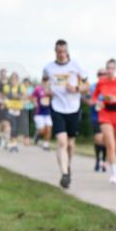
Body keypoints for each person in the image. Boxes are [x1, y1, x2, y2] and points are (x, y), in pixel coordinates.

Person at [42, 39, 89, 189]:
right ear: (55, 51)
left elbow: (87, 85)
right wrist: (47, 90)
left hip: (73, 108)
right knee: (62, 142)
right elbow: (44, 81)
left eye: (64, 51)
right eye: (59, 52)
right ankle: (64, 174)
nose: (61, 54)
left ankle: (67, 165)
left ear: (67, 51)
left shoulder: (76, 65)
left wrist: (76, 89)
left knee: (70, 144)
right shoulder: (49, 68)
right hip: (57, 107)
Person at [91, 58, 116, 184]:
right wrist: (97, 102)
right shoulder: (101, 83)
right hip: (105, 114)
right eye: (108, 68)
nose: (110, 71)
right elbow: (94, 97)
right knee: (110, 144)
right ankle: (114, 174)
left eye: (112, 68)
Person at [1, 72, 28, 152]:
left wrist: (18, 96)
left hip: (18, 110)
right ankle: (8, 141)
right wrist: (5, 103)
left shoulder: (21, 86)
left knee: (15, 128)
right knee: (9, 127)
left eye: (15, 79)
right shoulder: (6, 87)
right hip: (9, 109)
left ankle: (14, 145)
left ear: (17, 79)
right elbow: (4, 97)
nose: (13, 80)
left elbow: (25, 96)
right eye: (12, 79)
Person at [91, 69, 108, 172]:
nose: (102, 76)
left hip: (107, 116)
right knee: (98, 139)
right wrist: (93, 102)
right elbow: (87, 98)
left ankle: (104, 161)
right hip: (95, 116)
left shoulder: (109, 86)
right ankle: (98, 159)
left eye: (104, 74)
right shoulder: (93, 87)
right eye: (100, 74)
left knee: (105, 139)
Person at [31, 77, 53, 150]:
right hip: (39, 113)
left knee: (49, 128)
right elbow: (33, 97)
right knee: (42, 130)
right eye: (46, 82)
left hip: (47, 113)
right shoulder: (38, 89)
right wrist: (35, 103)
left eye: (48, 82)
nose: (47, 83)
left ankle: (46, 145)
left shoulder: (51, 90)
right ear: (43, 82)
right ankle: (37, 134)